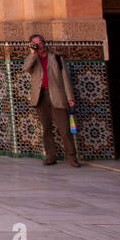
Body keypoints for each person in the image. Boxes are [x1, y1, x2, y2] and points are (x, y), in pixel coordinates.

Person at [21, 33, 81, 168]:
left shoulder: (56, 59)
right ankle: (51, 156)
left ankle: (71, 157)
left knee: (64, 128)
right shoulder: (33, 59)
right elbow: (25, 68)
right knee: (46, 128)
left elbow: (65, 79)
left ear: (44, 43)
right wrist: (33, 53)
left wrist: (70, 98)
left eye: (39, 43)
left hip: (56, 96)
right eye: (34, 43)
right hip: (40, 97)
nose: (38, 45)